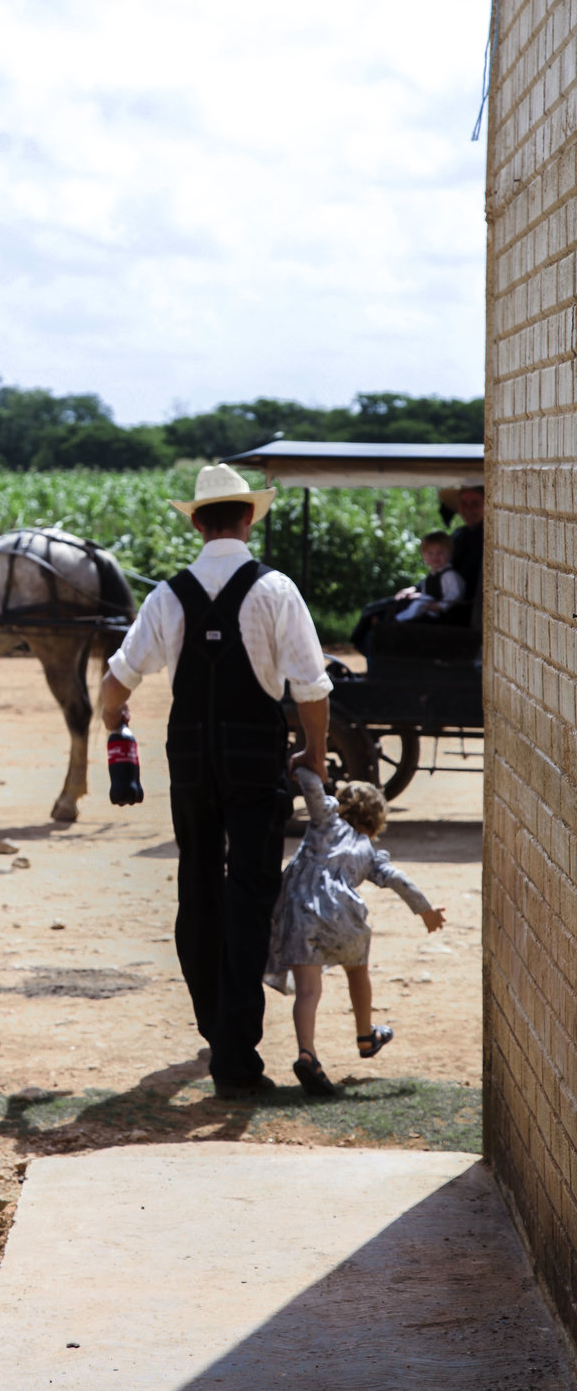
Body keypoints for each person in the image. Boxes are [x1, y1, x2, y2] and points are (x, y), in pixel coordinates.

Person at [100, 463, 332, 1100]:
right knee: (249, 896)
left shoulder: (166, 596)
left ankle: (215, 1027)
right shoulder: (276, 589)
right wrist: (314, 752)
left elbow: (117, 681)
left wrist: (114, 721)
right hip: (254, 759)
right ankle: (234, 1056)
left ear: (197, 523)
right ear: (248, 518)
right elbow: (311, 687)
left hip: (191, 760)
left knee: (198, 886)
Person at [265, 766, 446, 1097]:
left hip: (301, 915)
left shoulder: (324, 820)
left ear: (341, 806)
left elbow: (313, 786)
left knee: (308, 992)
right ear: (376, 822)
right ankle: (366, 1036)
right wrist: (426, 912)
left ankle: (307, 1054)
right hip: (345, 919)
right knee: (357, 971)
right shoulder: (370, 853)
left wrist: (300, 767)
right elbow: (397, 879)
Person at [392, 530, 465, 624]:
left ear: (449, 554)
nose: (435, 557)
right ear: (424, 556)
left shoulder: (450, 575)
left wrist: (439, 606)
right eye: (430, 553)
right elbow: (425, 594)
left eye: (440, 553)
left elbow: (455, 595)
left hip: (444, 617)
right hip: (428, 611)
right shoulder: (430, 576)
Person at [442, 483, 484, 626]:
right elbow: (442, 567)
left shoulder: (488, 538)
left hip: (465, 611)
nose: (468, 509)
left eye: (475, 503)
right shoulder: (459, 535)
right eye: (464, 504)